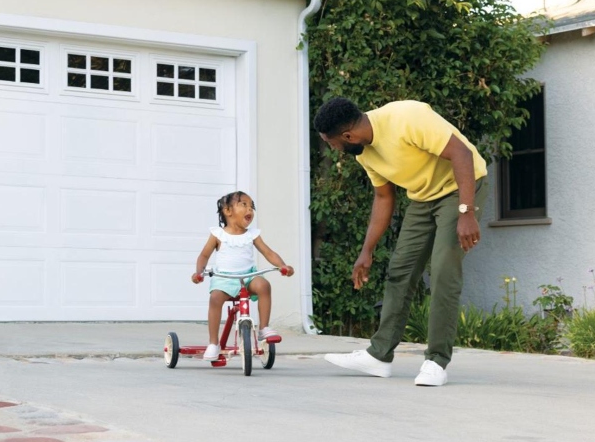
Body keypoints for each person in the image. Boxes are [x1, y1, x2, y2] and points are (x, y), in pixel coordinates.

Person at [314, 98, 488, 386]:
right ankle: (379, 355)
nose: (337, 151)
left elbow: (461, 154)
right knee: (400, 271)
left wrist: (466, 212)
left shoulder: (407, 117)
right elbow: (384, 198)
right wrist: (366, 251)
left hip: (462, 187)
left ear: (347, 136)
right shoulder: (364, 153)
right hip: (423, 197)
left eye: (333, 144)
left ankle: (436, 360)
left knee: (444, 269)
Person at [192, 191, 294, 360]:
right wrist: (199, 272)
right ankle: (213, 343)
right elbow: (204, 256)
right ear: (228, 211)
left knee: (263, 285)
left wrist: (282, 266)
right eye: (244, 204)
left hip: (248, 277)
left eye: (251, 206)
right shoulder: (218, 234)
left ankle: (264, 328)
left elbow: (268, 252)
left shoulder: (252, 235)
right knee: (215, 298)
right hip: (224, 279)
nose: (250, 209)